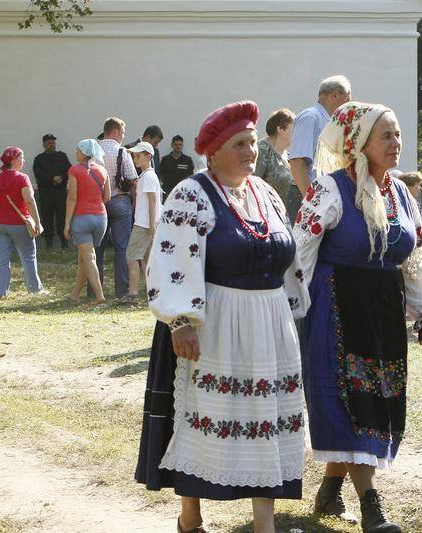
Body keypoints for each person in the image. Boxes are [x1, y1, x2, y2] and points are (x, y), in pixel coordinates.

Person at [135, 101, 310, 533]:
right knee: (206, 415)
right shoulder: (191, 194)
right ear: (212, 153)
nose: (250, 151)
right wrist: (179, 322)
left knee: (267, 419)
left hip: (268, 324)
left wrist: (291, 312)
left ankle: (264, 523)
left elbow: (287, 254)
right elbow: (170, 259)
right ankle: (190, 516)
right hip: (215, 324)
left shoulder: (265, 193)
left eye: (252, 142)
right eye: (239, 144)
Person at [294, 101, 422, 533]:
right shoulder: (330, 189)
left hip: (383, 311)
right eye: (386, 136)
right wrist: (290, 311)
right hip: (336, 308)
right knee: (350, 403)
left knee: (376, 402)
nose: (396, 143)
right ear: (359, 144)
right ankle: (371, 508)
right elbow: (300, 251)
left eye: (398, 134)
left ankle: (330, 489)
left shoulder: (402, 195)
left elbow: (414, 259)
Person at [288, 75, 352, 220]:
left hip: (319, 198)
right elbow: (297, 162)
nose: (348, 107)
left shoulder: (326, 121)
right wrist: (311, 203)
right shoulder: (311, 118)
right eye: (347, 100)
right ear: (334, 95)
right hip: (306, 198)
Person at [96, 117, 139, 299]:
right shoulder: (122, 152)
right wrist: (134, 203)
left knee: (97, 247)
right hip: (120, 201)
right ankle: (122, 290)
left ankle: (95, 289)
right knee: (122, 247)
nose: (123, 136)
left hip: (98, 202)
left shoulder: (94, 150)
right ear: (115, 132)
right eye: (122, 133)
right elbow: (132, 179)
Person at [0, 147, 45, 298]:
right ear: (14, 160)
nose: (23, 161)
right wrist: (37, 222)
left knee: (1, 258)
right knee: (28, 257)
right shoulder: (22, 178)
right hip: (19, 224)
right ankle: (35, 289)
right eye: (21, 158)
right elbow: (29, 201)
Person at [63, 139, 110, 306]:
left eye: (78, 151)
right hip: (101, 218)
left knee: (88, 257)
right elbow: (107, 197)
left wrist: (67, 222)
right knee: (84, 258)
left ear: (84, 153)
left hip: (81, 218)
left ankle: (100, 297)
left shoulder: (75, 170)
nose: (76, 153)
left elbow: (72, 197)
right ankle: (74, 295)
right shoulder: (103, 170)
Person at [119, 142, 162, 305]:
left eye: (138, 156)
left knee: (131, 256)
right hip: (146, 223)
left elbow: (152, 201)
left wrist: (151, 226)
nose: (135, 159)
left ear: (148, 157)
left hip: (144, 224)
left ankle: (133, 294)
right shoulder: (147, 175)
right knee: (146, 259)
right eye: (134, 156)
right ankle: (154, 292)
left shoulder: (148, 176)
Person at [33, 133, 72, 249]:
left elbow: (70, 170)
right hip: (46, 193)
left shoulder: (62, 156)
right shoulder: (39, 159)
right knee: (47, 218)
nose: (52, 145)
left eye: (53, 143)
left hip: (61, 193)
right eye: (49, 143)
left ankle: (64, 244)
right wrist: (52, 179)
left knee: (62, 217)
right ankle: (48, 245)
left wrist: (61, 178)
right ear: (44, 145)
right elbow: (38, 174)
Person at [255, 108, 295, 203]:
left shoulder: (289, 156)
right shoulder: (262, 150)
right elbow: (252, 185)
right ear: (280, 129)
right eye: (293, 129)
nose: (297, 134)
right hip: (265, 208)